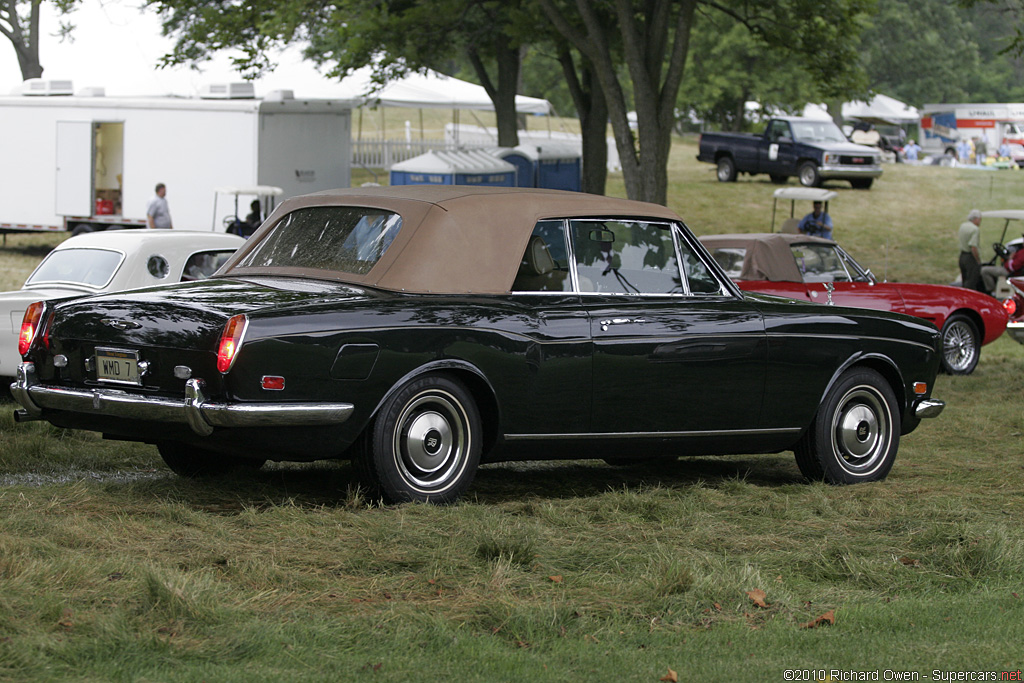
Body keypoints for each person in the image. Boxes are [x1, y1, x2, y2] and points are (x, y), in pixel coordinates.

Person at [958, 209, 985, 293]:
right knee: (971, 281)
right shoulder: (975, 229)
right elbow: (973, 246)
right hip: (970, 257)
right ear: (976, 219)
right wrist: (978, 260)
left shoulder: (963, 226)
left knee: (964, 279)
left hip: (962, 256)